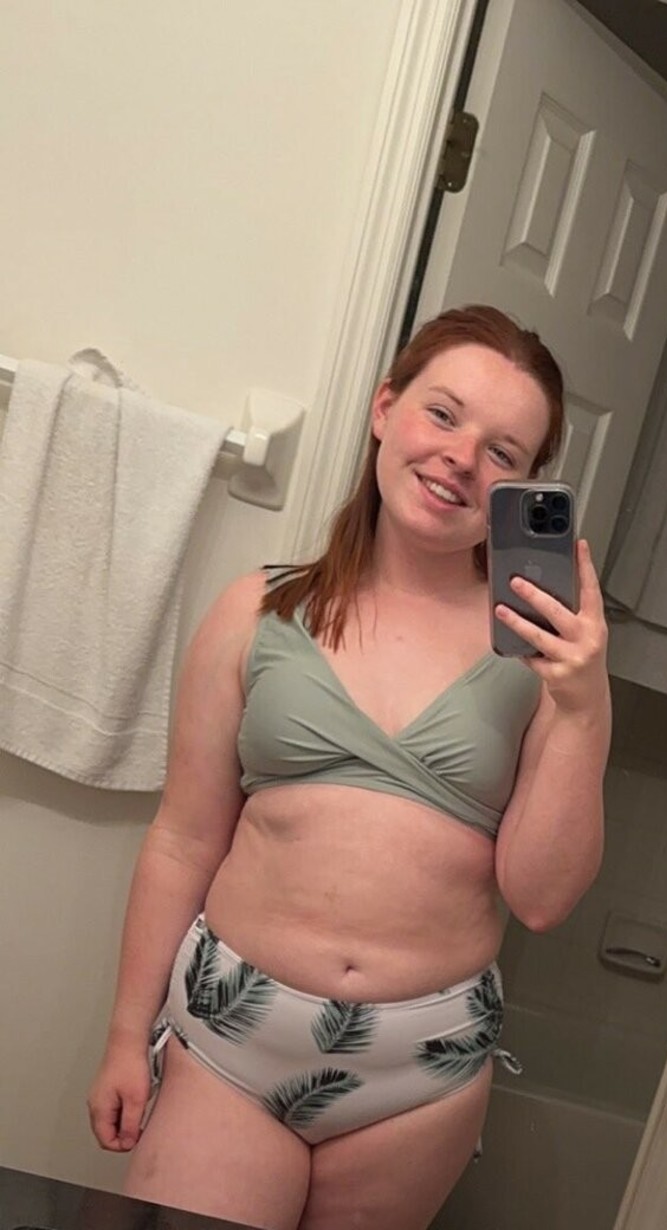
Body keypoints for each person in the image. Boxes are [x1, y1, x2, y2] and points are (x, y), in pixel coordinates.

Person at [86, 305, 610, 1230]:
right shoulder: (257, 612)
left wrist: (584, 702)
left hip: (419, 1079)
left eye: (502, 451)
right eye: (442, 414)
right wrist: (128, 1035)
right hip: (229, 1043)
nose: (460, 458)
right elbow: (182, 840)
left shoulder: (547, 662)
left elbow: (541, 900)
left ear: (526, 485)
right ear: (384, 408)